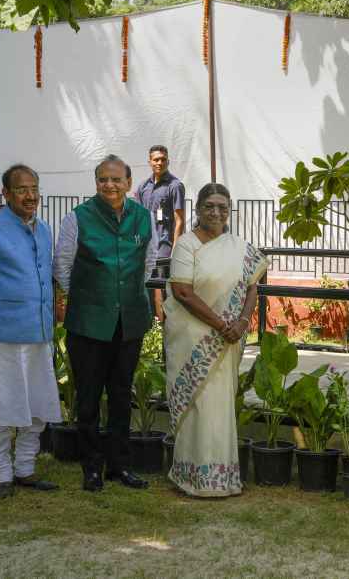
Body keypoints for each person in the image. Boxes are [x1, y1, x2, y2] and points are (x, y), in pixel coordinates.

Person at [53, 154, 156, 492]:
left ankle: (119, 465)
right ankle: (91, 467)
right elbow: (63, 265)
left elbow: (149, 261)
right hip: (88, 323)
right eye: (102, 179)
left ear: (128, 183)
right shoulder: (77, 218)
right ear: (96, 182)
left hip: (129, 321)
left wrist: (126, 295)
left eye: (116, 179)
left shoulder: (143, 218)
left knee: (121, 395)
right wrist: (87, 298)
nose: (109, 185)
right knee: (87, 398)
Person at [0, 164, 61, 499]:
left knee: (38, 404)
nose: (30, 195)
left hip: (38, 336)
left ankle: (25, 469)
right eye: (22, 189)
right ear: (5, 193)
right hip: (1, 338)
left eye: (34, 188)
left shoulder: (44, 230)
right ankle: (2, 474)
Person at [164, 183, 268, 497]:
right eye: (210, 206)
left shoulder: (238, 246)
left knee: (220, 406)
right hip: (194, 339)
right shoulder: (186, 245)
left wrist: (242, 321)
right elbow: (182, 292)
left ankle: (222, 477)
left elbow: (253, 285)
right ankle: (192, 476)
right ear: (198, 209)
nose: (216, 212)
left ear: (229, 210)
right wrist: (223, 324)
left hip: (228, 340)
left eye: (223, 207)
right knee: (199, 406)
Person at [136, 145, 186, 318]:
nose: (160, 162)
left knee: (165, 287)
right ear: (150, 162)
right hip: (146, 245)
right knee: (147, 285)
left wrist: (175, 249)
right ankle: (151, 326)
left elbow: (179, 220)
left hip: (166, 244)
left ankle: (169, 326)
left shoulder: (175, 185)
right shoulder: (143, 187)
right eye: (156, 159)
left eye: (163, 159)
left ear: (168, 161)